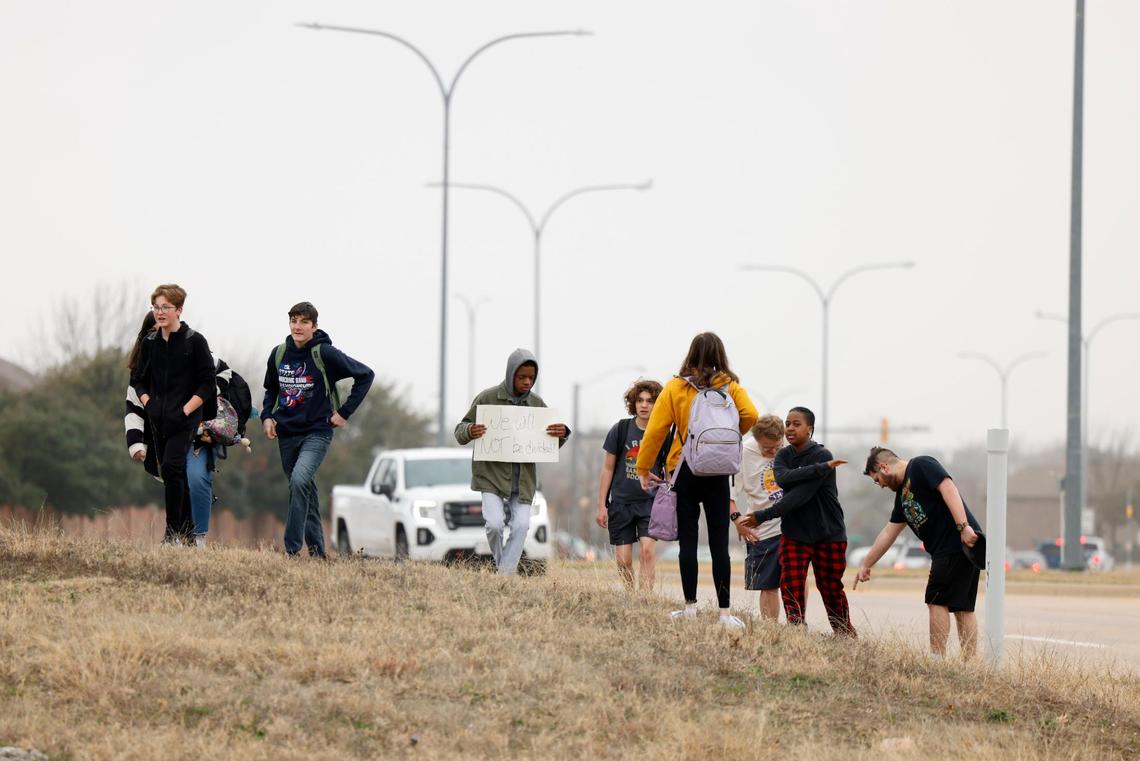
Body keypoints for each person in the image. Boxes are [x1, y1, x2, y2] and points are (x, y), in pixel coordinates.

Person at [635, 332, 758, 628]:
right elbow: (751, 415)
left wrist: (643, 467)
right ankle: (725, 613)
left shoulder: (677, 388)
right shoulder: (729, 386)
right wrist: (722, 440)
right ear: (720, 355)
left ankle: (689, 608)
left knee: (688, 541)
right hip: (717, 472)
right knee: (719, 543)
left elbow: (655, 431)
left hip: (684, 469)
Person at [261, 301, 374, 558]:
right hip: (286, 434)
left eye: (303, 322)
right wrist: (267, 417)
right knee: (305, 490)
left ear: (314, 326)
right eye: (293, 321)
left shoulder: (324, 353)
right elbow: (271, 390)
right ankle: (318, 553)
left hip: (317, 432)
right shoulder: (278, 354)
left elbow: (365, 375)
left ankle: (291, 549)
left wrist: (344, 413)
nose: (297, 327)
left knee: (300, 480)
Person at [739, 407, 855, 636]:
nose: (790, 428)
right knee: (790, 585)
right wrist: (818, 471)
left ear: (809, 429)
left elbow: (798, 496)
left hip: (828, 534)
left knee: (830, 589)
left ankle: (844, 634)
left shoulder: (822, 455)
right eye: (788, 423)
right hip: (794, 534)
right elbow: (782, 478)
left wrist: (762, 515)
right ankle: (796, 631)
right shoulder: (783, 455)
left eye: (797, 424)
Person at [857, 447, 982, 658]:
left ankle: (937, 661)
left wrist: (963, 527)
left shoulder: (921, 465)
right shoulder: (902, 497)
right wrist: (866, 563)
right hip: (955, 547)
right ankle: (971, 665)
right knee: (962, 607)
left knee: (936, 600)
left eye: (877, 480)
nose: (881, 486)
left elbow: (948, 487)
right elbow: (889, 532)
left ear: (884, 467)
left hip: (955, 543)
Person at [455, 349, 570, 575]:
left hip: (524, 480)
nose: (527, 382)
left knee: (521, 526)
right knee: (494, 525)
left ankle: (503, 575)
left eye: (531, 378)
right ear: (510, 375)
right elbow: (460, 432)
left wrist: (562, 433)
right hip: (491, 477)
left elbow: (548, 444)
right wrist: (470, 430)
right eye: (522, 377)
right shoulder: (487, 398)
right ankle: (505, 571)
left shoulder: (537, 404)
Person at [126, 311, 235, 547]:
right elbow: (133, 406)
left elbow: (222, 373)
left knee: (191, 477)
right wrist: (136, 442)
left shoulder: (192, 348)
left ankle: (193, 537)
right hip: (162, 432)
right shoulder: (145, 363)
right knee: (175, 478)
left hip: (196, 432)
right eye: (154, 331)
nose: (160, 334)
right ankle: (183, 535)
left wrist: (199, 400)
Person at [596, 379, 666, 592]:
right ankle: (630, 594)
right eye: (640, 400)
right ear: (633, 403)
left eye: (650, 401)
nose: (644, 405)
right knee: (623, 559)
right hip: (621, 503)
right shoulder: (621, 429)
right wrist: (601, 506)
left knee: (647, 551)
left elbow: (670, 472)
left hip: (650, 503)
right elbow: (607, 469)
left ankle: (645, 599)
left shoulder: (663, 432)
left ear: (658, 404)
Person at [730, 415, 787, 621]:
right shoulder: (743, 453)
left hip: (792, 525)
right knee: (769, 586)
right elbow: (729, 496)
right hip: (763, 530)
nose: (773, 452)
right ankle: (770, 629)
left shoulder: (790, 444)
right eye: (767, 448)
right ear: (757, 440)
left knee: (795, 582)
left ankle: (798, 626)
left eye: (777, 446)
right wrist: (739, 523)